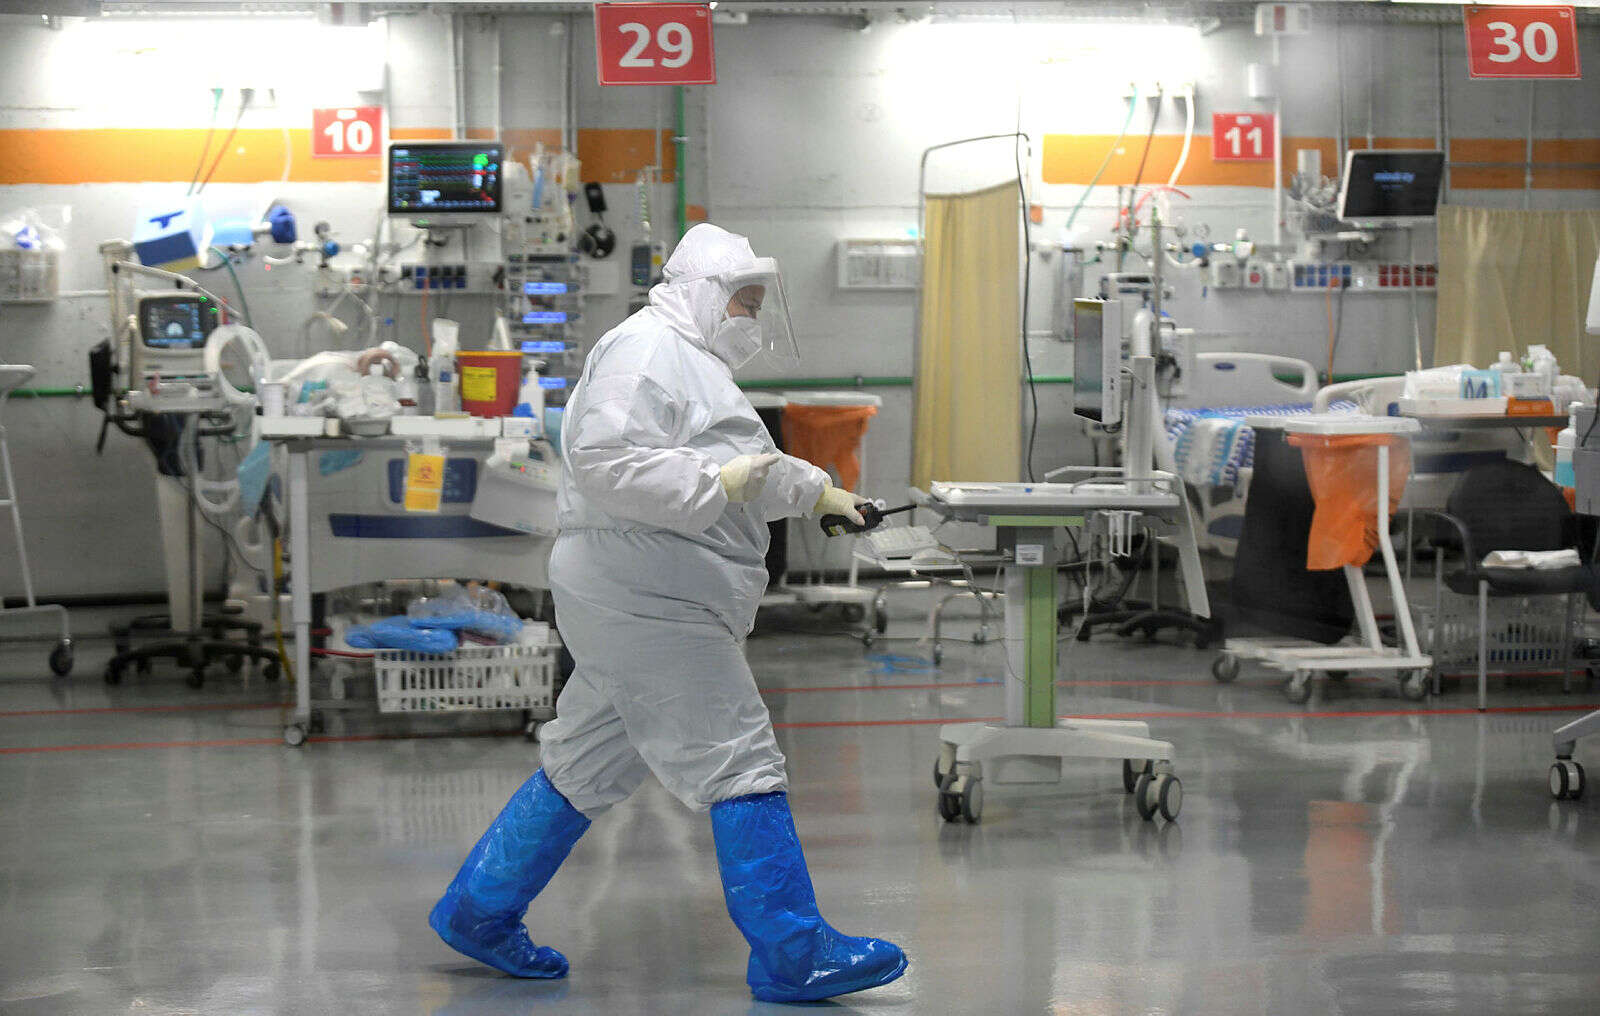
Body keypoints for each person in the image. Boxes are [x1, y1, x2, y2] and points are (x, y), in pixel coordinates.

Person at [428, 223, 908, 1004]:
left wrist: (820, 493)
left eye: (756, 303)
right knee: (739, 756)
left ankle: (477, 911)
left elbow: (738, 459)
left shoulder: (692, 361)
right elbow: (608, 462)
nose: (750, 317)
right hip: (647, 597)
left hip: (648, 594)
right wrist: (721, 484)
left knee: (586, 762)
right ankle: (792, 951)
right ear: (700, 292)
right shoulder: (645, 349)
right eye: (743, 301)